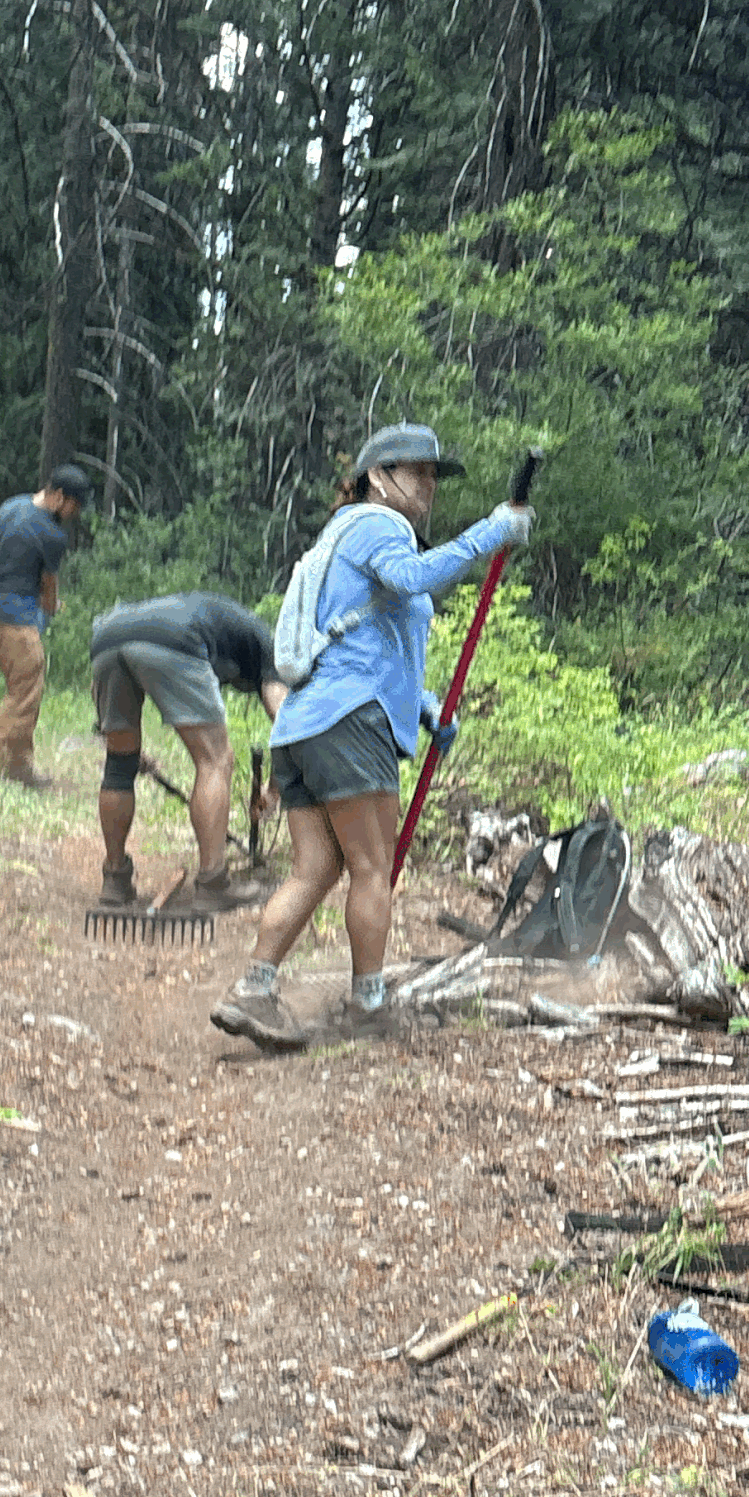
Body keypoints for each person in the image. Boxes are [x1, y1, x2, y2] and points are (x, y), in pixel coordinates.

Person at [210, 424, 533, 1053]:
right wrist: (492, 530)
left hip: (303, 725)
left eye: (434, 475)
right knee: (371, 868)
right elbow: (415, 580)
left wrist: (425, 707)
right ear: (378, 476)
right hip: (350, 722)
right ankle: (368, 1006)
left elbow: (365, 640)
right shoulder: (379, 525)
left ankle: (254, 989)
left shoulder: (342, 538)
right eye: (418, 472)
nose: (429, 486)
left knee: (317, 868)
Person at [89, 592, 289, 908]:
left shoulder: (229, 623)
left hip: (107, 636)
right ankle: (213, 884)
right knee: (215, 761)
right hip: (175, 638)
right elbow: (286, 722)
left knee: (119, 764)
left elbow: (106, 716)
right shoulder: (273, 652)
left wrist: (114, 736)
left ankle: (115, 879)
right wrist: (275, 792)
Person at [0, 464, 94, 782]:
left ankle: (20, 766)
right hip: (15, 620)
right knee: (24, 691)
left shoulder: (12, 506)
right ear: (58, 496)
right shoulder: (51, 534)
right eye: (74, 506)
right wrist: (51, 611)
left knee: (27, 690)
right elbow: (49, 591)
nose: (73, 514)